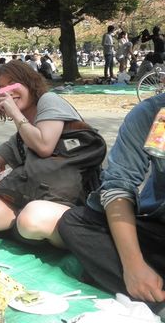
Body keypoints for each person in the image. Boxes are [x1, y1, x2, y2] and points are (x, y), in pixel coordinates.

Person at [58, 93, 165, 315]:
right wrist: (133, 265)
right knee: (75, 222)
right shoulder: (153, 113)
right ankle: (149, 290)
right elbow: (119, 185)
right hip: (156, 229)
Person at [0, 60, 88, 247]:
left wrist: (15, 114)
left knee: (30, 217)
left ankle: (48, 232)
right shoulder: (22, 138)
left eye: (13, 84)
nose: (7, 92)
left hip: (74, 200)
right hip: (36, 201)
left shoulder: (49, 100)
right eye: (1, 89)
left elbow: (44, 146)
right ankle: (31, 231)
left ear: (30, 82)